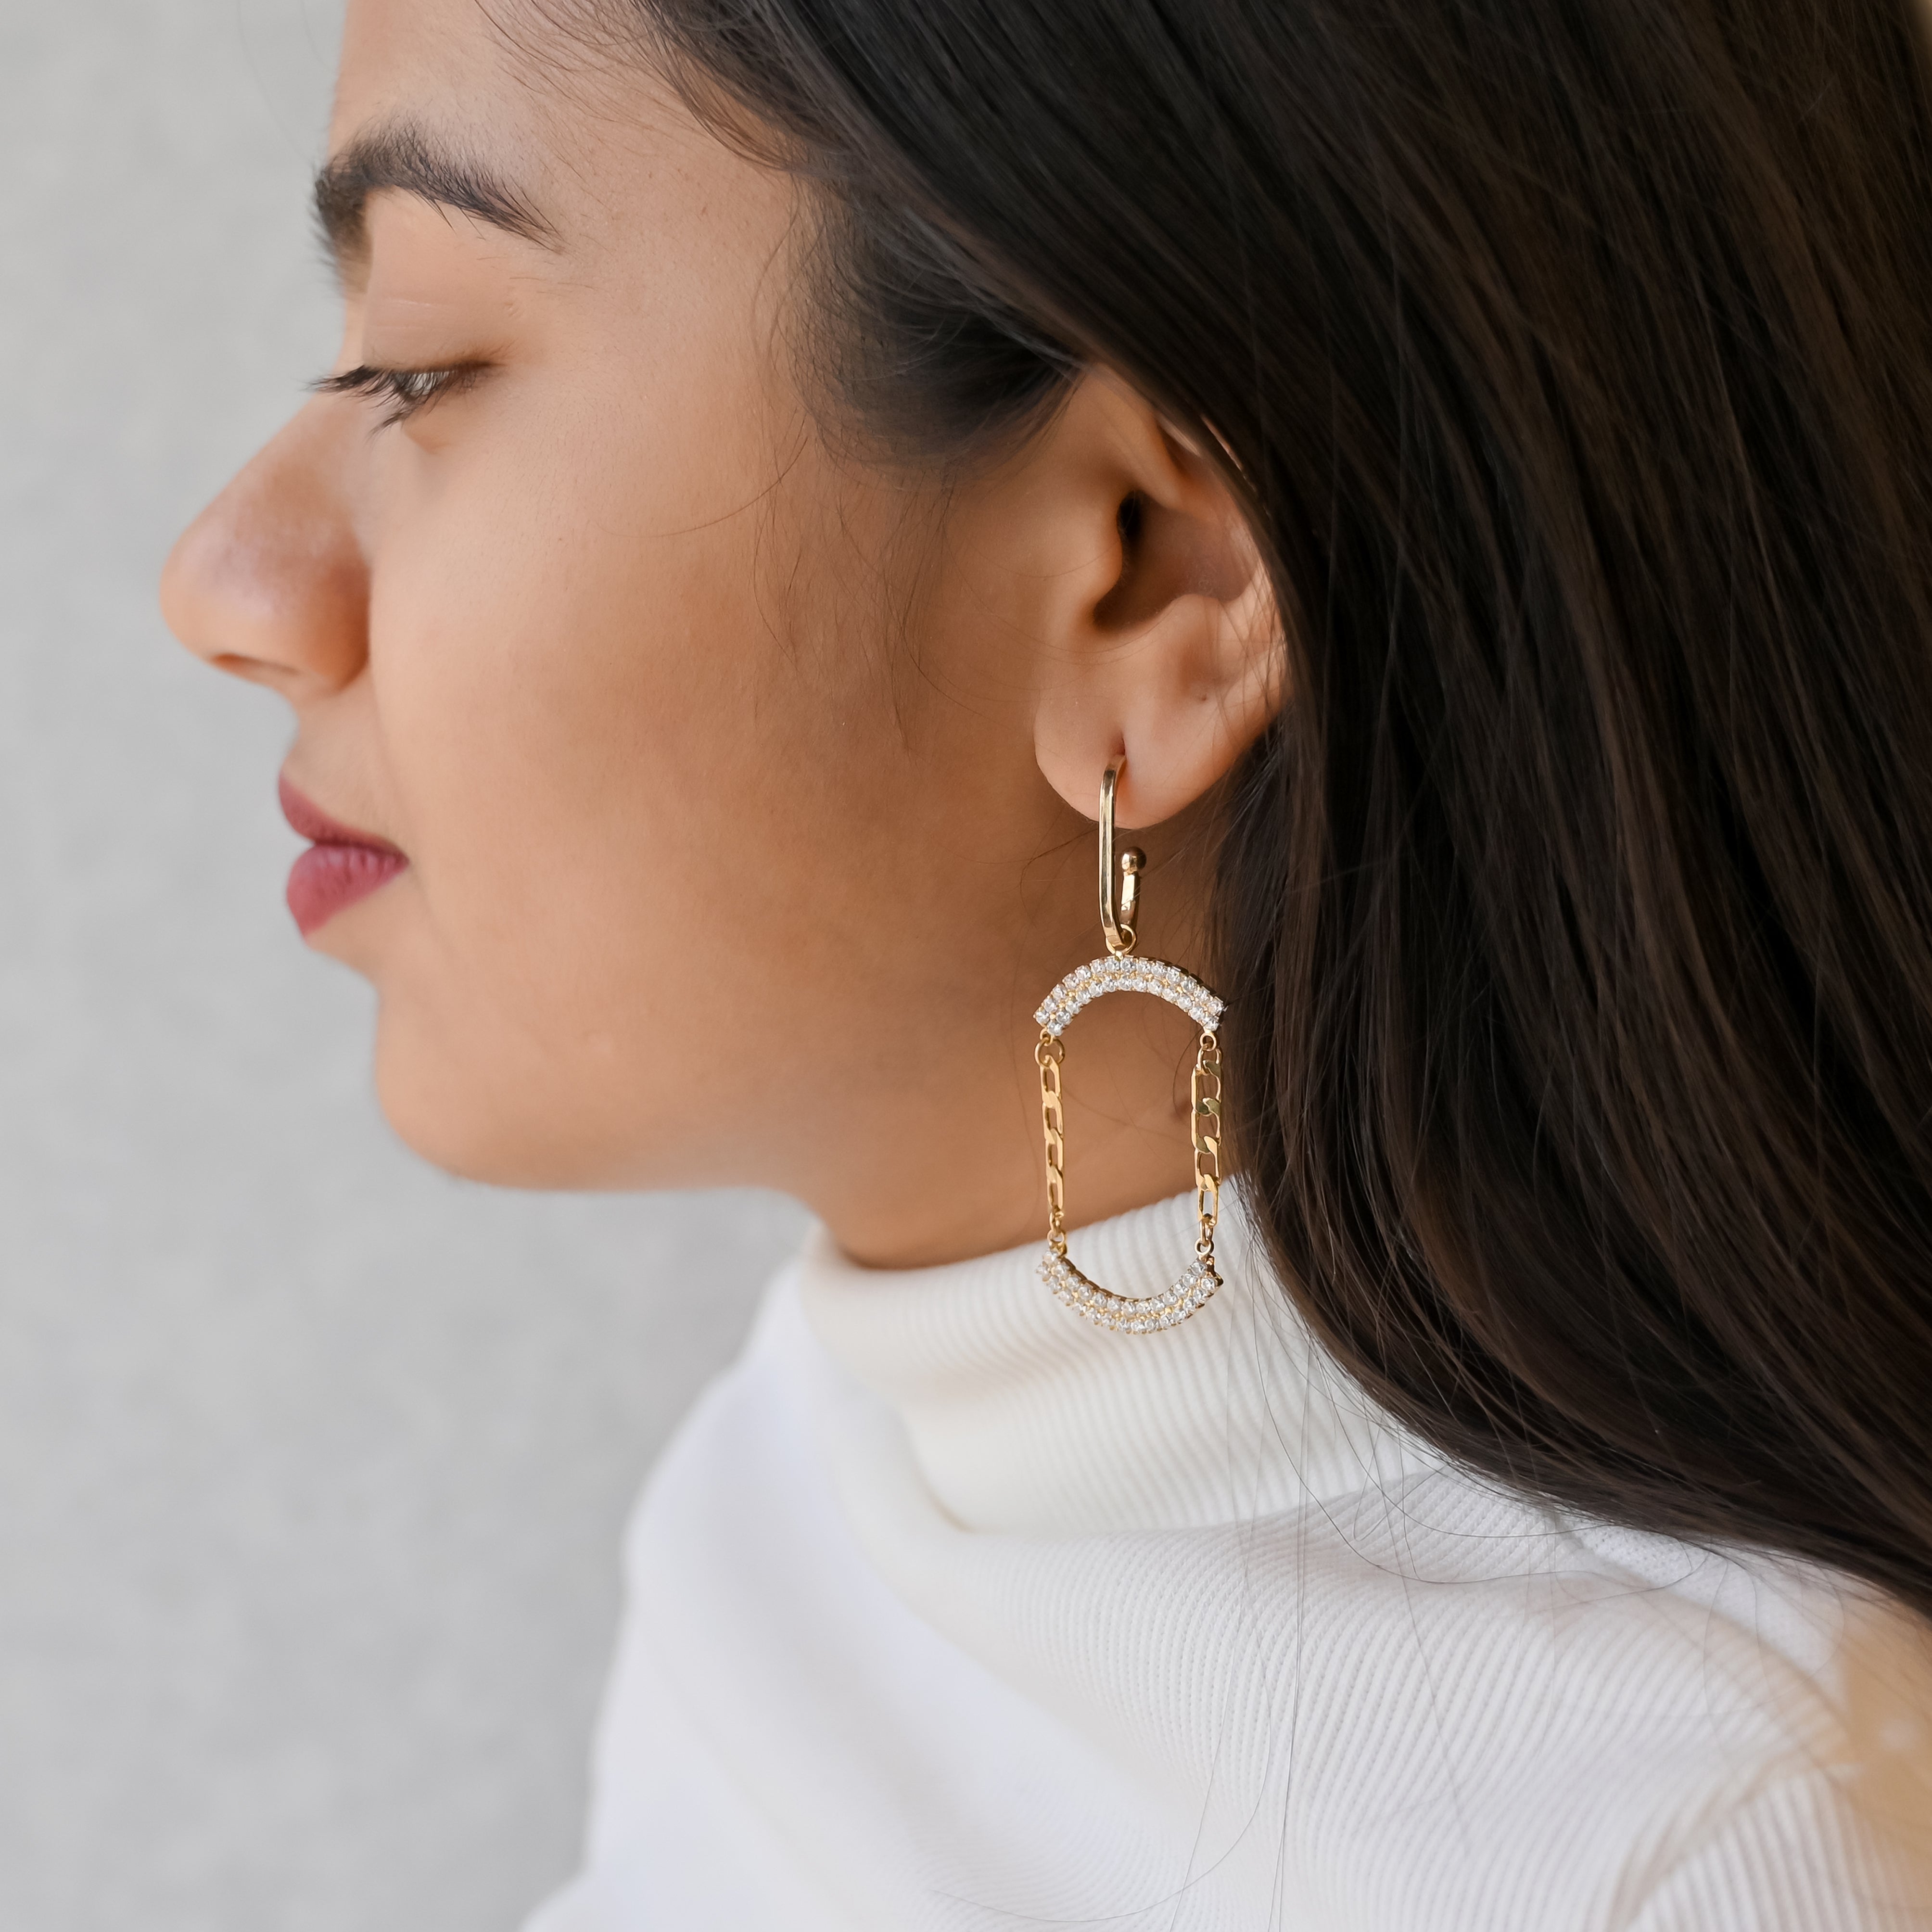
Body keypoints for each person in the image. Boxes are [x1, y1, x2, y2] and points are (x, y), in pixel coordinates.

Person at [160, 0, 1932, 1922]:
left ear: (1151, 575)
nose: (220, 580)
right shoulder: (831, 1444)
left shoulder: (1687, 1854)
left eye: (420, 365)